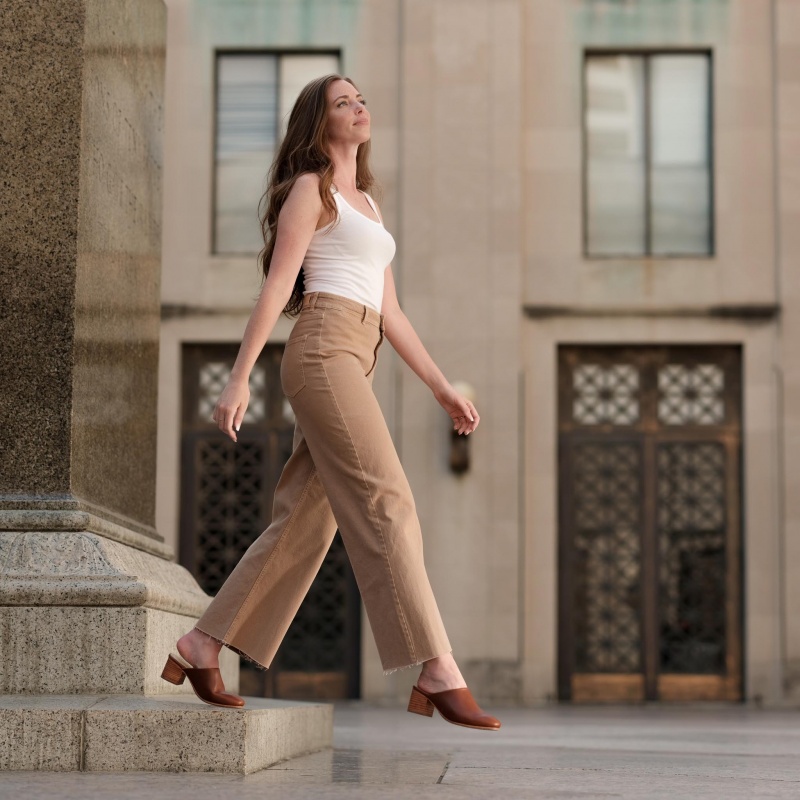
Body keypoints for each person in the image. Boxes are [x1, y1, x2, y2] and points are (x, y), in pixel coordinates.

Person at [160, 74, 500, 731]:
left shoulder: (367, 204)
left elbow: (392, 310)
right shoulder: (308, 191)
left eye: (361, 98)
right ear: (319, 121)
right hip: (321, 350)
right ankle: (436, 664)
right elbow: (277, 287)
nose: (359, 107)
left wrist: (440, 387)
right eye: (344, 102)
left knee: (306, 524)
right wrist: (238, 378)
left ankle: (203, 643)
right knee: (388, 498)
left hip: (358, 354)